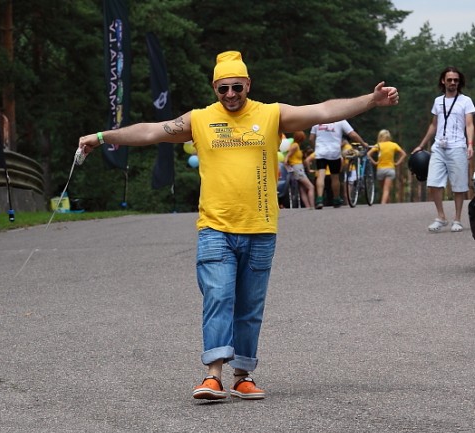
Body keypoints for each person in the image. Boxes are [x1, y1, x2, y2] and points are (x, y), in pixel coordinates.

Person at [77, 51, 399, 401]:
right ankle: (213, 375)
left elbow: (322, 110)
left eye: (236, 87)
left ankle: (242, 376)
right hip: (215, 227)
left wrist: (370, 100)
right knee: (218, 294)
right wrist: (102, 135)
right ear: (215, 88)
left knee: (249, 305)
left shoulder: (270, 114)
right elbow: (153, 131)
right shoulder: (199, 120)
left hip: (260, 228)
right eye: (223, 89)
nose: (230, 95)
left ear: (247, 84)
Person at [412, 66, 475, 232]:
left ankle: (457, 219)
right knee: (433, 182)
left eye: (455, 80)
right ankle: (441, 217)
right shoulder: (438, 101)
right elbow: (434, 125)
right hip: (439, 146)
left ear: (459, 82)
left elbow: (469, 124)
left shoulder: (465, 101)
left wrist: (470, 144)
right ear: (443, 81)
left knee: (459, 185)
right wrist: (421, 145)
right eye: (449, 80)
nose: (453, 82)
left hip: (457, 146)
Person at [309, 120, 369, 208]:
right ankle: (336, 199)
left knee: (321, 175)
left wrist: (316, 148)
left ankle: (319, 199)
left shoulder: (318, 120)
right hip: (334, 153)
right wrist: (363, 143)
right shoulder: (340, 120)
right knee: (335, 176)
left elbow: (311, 138)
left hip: (320, 152)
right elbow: (352, 134)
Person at [366, 129, 407, 204]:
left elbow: (368, 154)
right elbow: (404, 154)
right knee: (386, 190)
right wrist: (398, 163)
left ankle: (383, 205)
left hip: (380, 169)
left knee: (384, 190)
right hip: (390, 169)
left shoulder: (378, 145)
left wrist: (374, 162)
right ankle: (386, 205)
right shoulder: (393, 145)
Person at [283, 131, 315, 208]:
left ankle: (308, 206)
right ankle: (312, 205)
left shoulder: (296, 145)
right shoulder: (295, 145)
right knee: (311, 187)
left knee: (302, 188)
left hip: (297, 167)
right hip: (297, 168)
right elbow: (287, 157)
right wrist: (287, 165)